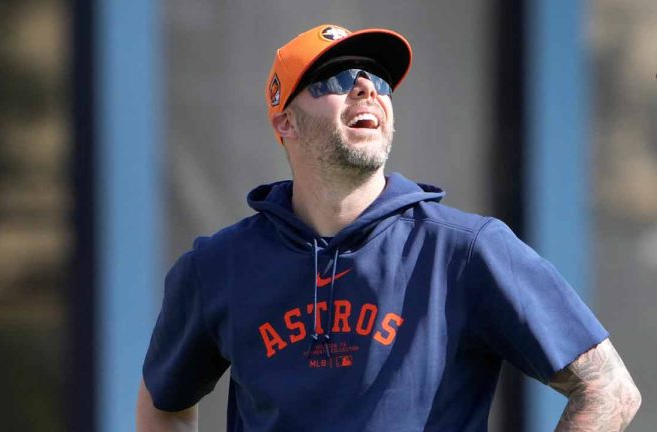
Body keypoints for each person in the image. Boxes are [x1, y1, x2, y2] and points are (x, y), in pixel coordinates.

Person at [136, 24, 641, 431]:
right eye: (335, 78)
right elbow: (164, 405)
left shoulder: (466, 250)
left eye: (378, 80)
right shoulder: (217, 268)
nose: (365, 88)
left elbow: (609, 389)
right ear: (284, 122)